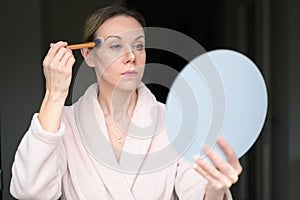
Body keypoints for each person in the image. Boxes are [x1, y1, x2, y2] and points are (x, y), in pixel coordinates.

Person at [10, 4, 242, 200]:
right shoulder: (66, 124)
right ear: (88, 55)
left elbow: (198, 194)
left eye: (138, 45)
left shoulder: (175, 121)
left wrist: (217, 188)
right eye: (115, 45)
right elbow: (30, 192)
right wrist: (55, 94)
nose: (131, 56)